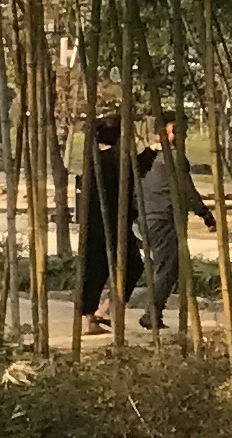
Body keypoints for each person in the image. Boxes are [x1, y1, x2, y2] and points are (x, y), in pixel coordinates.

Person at [132, 114, 216, 328]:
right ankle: (152, 312)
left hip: (146, 216)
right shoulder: (172, 158)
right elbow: (187, 190)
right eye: (176, 130)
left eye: (184, 129)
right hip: (162, 218)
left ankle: (153, 311)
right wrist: (206, 215)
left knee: (161, 265)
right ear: (165, 131)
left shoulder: (148, 156)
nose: (183, 134)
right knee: (168, 267)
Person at [74, 111, 127, 332]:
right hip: (111, 222)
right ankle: (100, 311)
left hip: (93, 221)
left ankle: (93, 313)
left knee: (96, 267)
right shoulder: (113, 160)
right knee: (128, 264)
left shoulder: (93, 158)